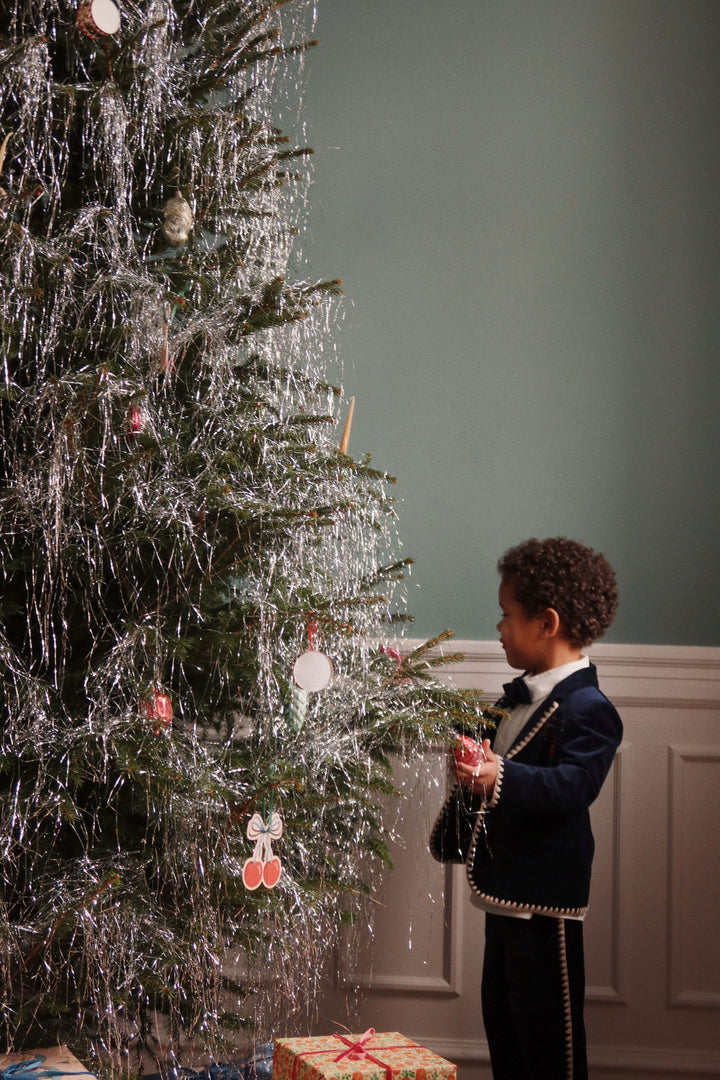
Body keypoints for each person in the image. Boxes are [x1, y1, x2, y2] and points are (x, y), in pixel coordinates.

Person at [430, 537, 622, 1080]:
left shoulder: (589, 708)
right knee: (506, 1029)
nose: (498, 627)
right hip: (505, 893)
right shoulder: (515, 700)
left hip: (545, 904)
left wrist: (500, 775)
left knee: (549, 1044)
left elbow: (573, 785)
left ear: (547, 623)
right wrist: (475, 766)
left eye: (506, 615)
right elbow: (502, 772)